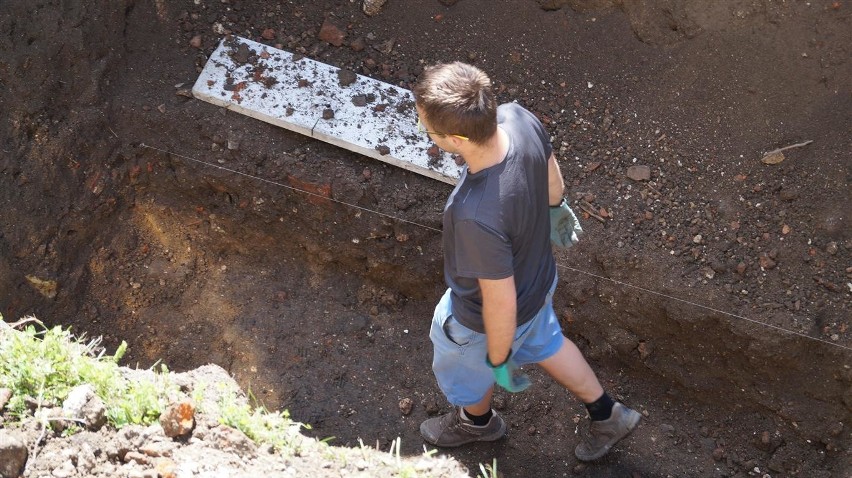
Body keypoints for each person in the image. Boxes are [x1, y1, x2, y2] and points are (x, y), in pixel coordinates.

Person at [412, 62, 641, 462]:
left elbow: (499, 302)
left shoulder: (473, 214)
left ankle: (476, 423)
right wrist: (556, 207)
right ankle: (608, 415)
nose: (427, 135)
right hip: (538, 283)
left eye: (428, 131)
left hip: (481, 321)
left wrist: (497, 358)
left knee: (466, 363)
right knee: (548, 342)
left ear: (456, 139)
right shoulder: (517, 118)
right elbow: (551, 168)